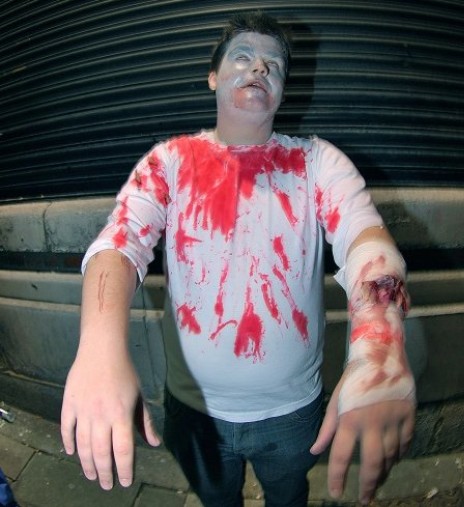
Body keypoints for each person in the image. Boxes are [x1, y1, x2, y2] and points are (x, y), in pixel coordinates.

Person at [61, 11, 416, 507]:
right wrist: (99, 348)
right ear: (213, 76)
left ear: (284, 90)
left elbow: (365, 238)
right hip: (194, 411)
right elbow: (118, 244)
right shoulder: (170, 161)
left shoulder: (318, 162)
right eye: (243, 57)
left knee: (288, 496)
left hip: (293, 412)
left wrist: (380, 345)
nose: (260, 68)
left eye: (274, 64)